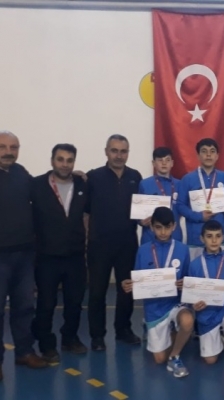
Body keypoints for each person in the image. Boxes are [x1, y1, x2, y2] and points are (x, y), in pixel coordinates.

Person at [31, 144, 88, 363]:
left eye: (69, 160)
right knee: (46, 303)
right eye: (60, 159)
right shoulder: (36, 185)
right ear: (52, 160)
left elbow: (90, 212)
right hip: (47, 256)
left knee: (74, 302)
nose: (65, 164)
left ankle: (70, 338)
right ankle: (46, 344)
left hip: (75, 256)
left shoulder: (82, 185)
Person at [121, 207, 194, 378]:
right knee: (159, 359)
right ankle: (157, 328)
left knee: (187, 320)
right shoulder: (143, 250)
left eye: (167, 227)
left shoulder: (182, 249)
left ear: (174, 226)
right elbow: (138, 278)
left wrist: (185, 284)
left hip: (175, 303)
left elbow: (188, 279)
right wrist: (129, 284)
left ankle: (175, 356)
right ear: (151, 227)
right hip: (154, 307)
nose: (163, 232)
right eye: (159, 227)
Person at [86, 134, 142, 351]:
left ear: (128, 153)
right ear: (106, 152)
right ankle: (97, 336)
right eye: (114, 150)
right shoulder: (93, 177)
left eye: (123, 151)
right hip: (99, 244)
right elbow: (85, 210)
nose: (119, 155)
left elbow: (140, 209)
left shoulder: (135, 177)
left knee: (127, 290)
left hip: (127, 243)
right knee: (97, 292)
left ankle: (123, 329)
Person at [0, 131, 48, 380]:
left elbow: (42, 190)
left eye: (14, 147)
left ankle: (24, 352)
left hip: (24, 254)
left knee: (24, 307)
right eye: (3, 147)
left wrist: (74, 176)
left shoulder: (21, 173)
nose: (8, 152)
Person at [186, 220, 224, 378]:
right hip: (206, 313)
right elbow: (191, 295)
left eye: (218, 236)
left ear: (223, 237)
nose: (214, 240)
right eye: (209, 236)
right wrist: (194, 305)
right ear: (202, 238)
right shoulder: (195, 265)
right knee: (210, 360)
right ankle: (220, 336)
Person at [178, 138, 224, 260]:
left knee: (220, 269)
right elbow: (180, 205)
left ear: (217, 156)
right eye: (204, 151)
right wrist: (198, 216)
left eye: (212, 151)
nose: (208, 155)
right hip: (196, 237)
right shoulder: (187, 179)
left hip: (220, 236)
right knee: (197, 270)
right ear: (198, 155)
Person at [138, 147, 182, 245]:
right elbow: (137, 211)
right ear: (153, 163)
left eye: (167, 160)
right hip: (150, 236)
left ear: (172, 163)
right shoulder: (144, 184)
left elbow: (184, 208)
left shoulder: (180, 184)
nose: (164, 163)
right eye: (160, 160)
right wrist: (141, 222)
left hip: (174, 235)